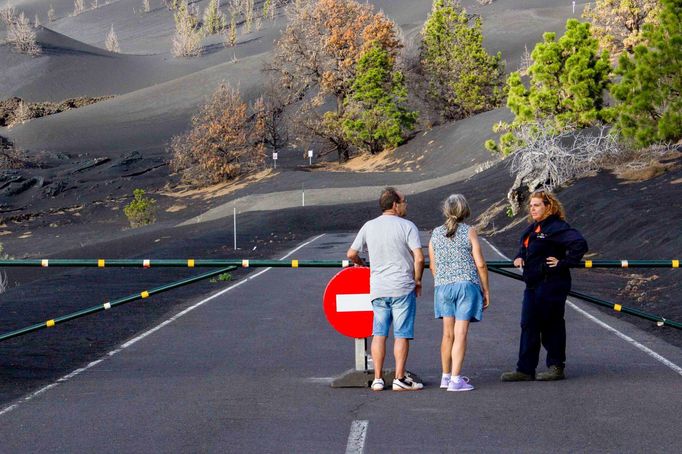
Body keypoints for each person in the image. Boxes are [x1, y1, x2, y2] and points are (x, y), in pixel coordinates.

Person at [501, 190, 588, 382]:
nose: (532, 209)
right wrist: (519, 256)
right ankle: (524, 369)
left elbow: (579, 243)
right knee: (528, 324)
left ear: (548, 207)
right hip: (533, 284)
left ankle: (556, 367)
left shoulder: (557, 226)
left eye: (537, 205)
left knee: (551, 325)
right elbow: (526, 248)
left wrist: (563, 262)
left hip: (552, 284)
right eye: (531, 205)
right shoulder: (533, 228)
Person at [347, 187, 425, 391]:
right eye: (404, 201)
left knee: (379, 333)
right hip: (402, 287)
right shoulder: (408, 226)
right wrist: (417, 280)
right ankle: (399, 377)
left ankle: (378, 378)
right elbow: (419, 257)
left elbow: (351, 253)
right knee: (402, 334)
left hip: (379, 287)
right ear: (395, 204)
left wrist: (362, 263)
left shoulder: (369, 226)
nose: (406, 204)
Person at [428, 194, 490, 392]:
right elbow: (480, 263)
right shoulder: (469, 231)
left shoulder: (436, 234)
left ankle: (446, 376)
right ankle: (456, 380)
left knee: (447, 334)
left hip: (443, 286)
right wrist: (486, 290)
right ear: (465, 210)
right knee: (460, 333)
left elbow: (433, 266)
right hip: (465, 285)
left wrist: (444, 279)